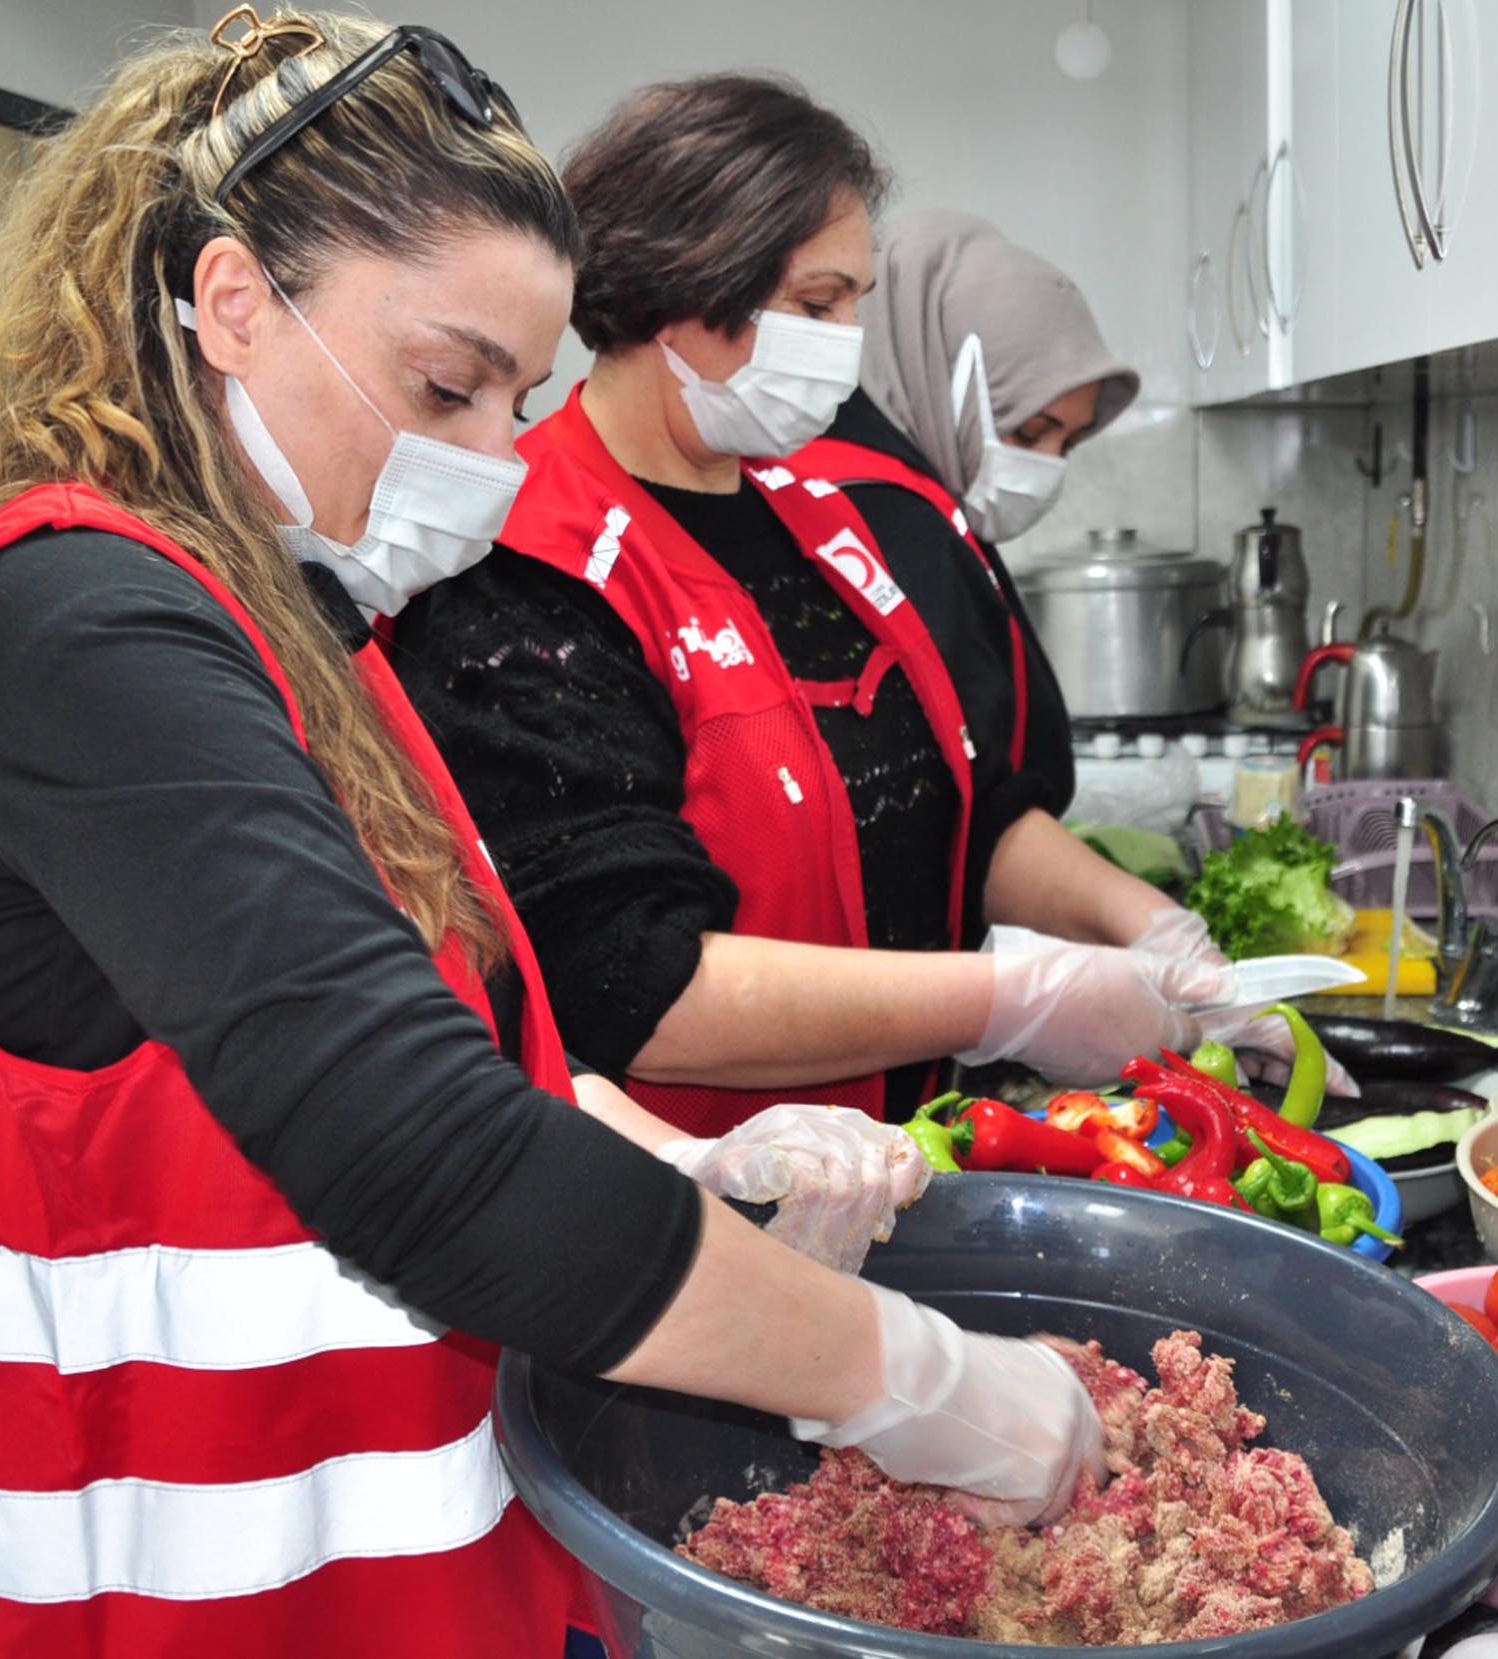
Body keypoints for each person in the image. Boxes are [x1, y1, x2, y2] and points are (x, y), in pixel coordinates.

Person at [0, 16, 1099, 1655]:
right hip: (157, 1592)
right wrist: (920, 1378)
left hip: (399, 1576)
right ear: (229, 304)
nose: (498, 458)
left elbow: (401, 1039)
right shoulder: (72, 636)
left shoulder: (300, 632)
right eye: (447, 383)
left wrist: (664, 1152)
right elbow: (421, 1149)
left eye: (519, 394)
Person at [393, 76, 1274, 1140]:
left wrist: (1147, 925)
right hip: (718, 1195)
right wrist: (1005, 999)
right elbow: (628, 980)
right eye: (818, 305)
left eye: (856, 300)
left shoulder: (826, 519)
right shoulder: (527, 565)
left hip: (909, 1157)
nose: (848, 341)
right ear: (687, 285)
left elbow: (963, 809)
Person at [801, 206, 1138, 820]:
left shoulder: (917, 503)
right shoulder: (881, 515)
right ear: (940, 376)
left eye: (1068, 443)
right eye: (1030, 431)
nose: (1047, 468)